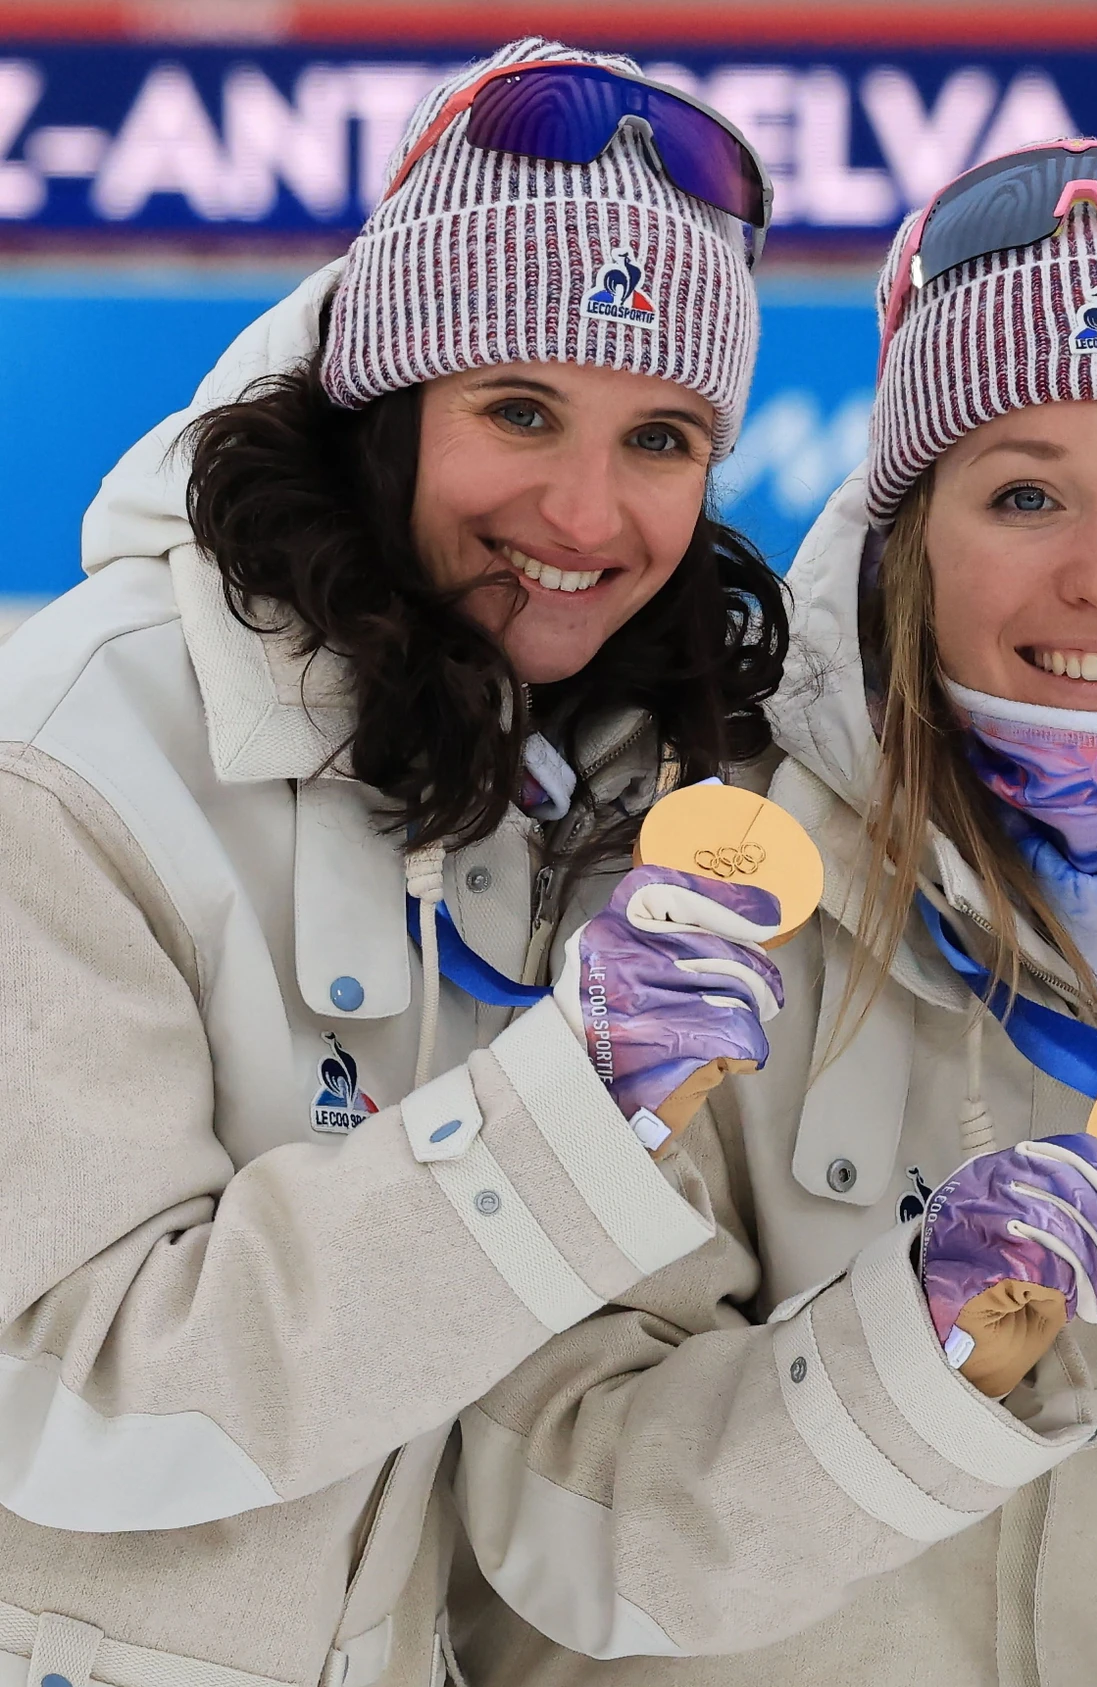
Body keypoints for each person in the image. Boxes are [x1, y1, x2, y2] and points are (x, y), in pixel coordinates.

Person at [446, 141, 1097, 1687]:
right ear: (908, 535)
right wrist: (900, 1356)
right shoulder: (689, 892)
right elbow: (548, 1522)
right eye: (1024, 492)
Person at [0, 36, 790, 1687]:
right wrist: (566, 1115)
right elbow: (62, 1394)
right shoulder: (77, 757)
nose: (587, 513)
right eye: (520, 408)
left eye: (663, 435)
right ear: (382, 406)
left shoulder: (612, 765)